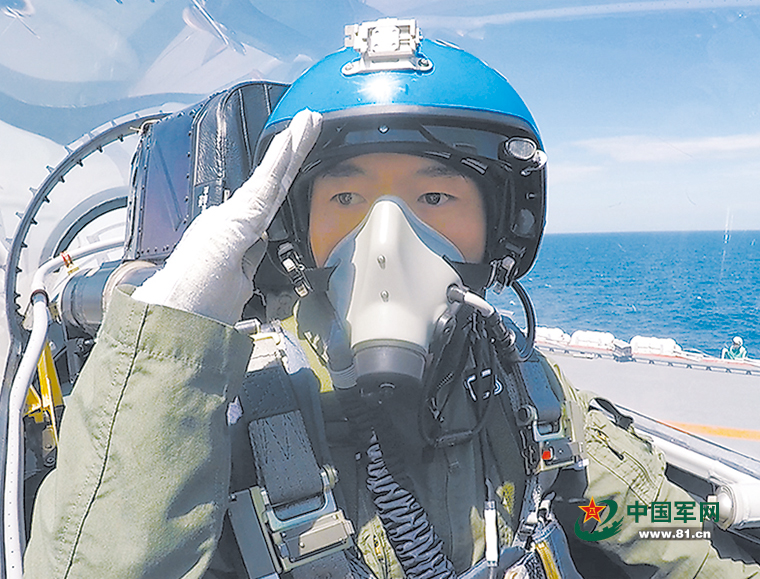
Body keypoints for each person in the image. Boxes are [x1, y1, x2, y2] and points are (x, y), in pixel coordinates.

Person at [22, 18, 760, 579]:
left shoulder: (526, 391)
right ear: (294, 233)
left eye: (434, 196)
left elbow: (630, 519)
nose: (386, 243)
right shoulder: (219, 410)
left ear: (499, 228)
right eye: (345, 198)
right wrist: (175, 334)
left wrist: (706, 523)